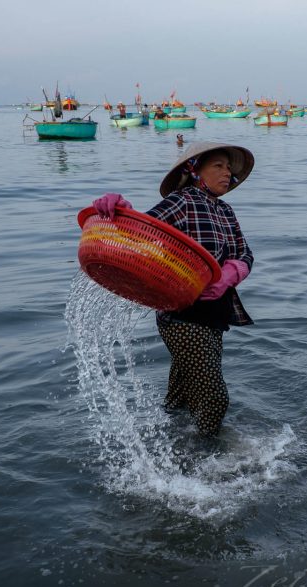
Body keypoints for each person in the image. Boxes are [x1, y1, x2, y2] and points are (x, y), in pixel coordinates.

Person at [92, 142, 255, 437]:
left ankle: (173, 441)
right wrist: (118, 209)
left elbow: (245, 254)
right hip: (184, 316)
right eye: (218, 166)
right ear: (195, 171)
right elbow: (143, 229)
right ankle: (206, 457)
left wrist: (228, 275)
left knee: (181, 397)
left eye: (228, 168)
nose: (226, 173)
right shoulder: (183, 200)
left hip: (214, 315)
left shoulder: (226, 211)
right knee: (213, 399)